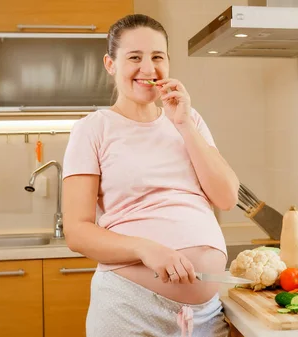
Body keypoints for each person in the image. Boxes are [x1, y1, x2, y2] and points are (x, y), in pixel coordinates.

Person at [61, 13, 240, 337]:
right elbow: (77, 231)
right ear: (110, 64)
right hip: (129, 309)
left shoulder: (190, 120)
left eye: (157, 57)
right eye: (134, 57)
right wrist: (146, 249)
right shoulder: (92, 129)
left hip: (203, 316)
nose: (148, 68)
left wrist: (183, 123)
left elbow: (227, 197)